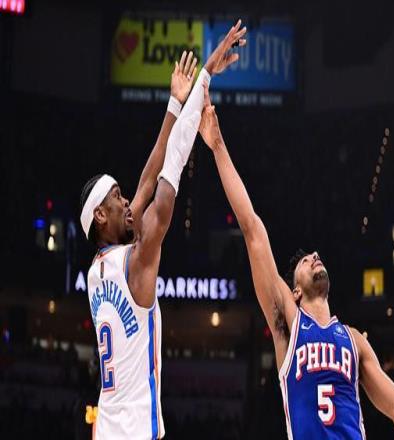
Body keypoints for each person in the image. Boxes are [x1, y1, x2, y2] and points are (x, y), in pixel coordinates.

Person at [198, 86, 394, 439]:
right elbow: (252, 229)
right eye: (305, 261)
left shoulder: (354, 341)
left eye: (315, 257)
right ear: (295, 291)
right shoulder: (289, 323)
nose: (315, 257)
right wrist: (218, 146)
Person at [79, 20, 247, 439]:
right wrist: (205, 79)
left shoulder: (97, 271)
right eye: (117, 198)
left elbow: (146, 181)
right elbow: (168, 176)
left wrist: (174, 105)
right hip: (135, 431)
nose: (126, 202)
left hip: (106, 428)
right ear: (100, 216)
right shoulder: (137, 260)